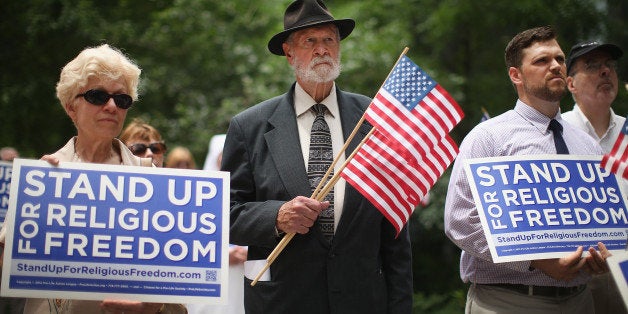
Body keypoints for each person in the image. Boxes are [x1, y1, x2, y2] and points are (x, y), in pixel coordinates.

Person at [221, 0, 413, 313]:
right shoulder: (249, 126)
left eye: (329, 40)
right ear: (288, 52)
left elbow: (396, 226)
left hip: (363, 300)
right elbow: (223, 215)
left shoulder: (376, 121)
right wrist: (276, 216)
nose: (322, 49)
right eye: (310, 41)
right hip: (282, 300)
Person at [0, 44, 186, 314]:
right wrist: (31, 205)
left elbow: (181, 290)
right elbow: (8, 268)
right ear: (70, 107)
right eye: (97, 96)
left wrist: (155, 306)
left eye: (122, 99)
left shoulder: (154, 182)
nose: (111, 106)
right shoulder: (44, 177)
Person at [444, 26, 611, 314]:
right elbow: (460, 221)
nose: (556, 66)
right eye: (541, 61)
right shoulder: (489, 137)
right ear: (515, 75)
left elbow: (602, 220)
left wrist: (603, 253)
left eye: (559, 59)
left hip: (581, 301)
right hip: (508, 301)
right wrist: (537, 262)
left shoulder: (588, 146)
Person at [562, 41, 627, 314]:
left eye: (609, 66)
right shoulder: (554, 132)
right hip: (574, 272)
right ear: (571, 84)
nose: (605, 72)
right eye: (592, 66)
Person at [187, 134, 246, 314]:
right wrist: (224, 254)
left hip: (242, 274)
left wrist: (247, 250)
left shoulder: (248, 188)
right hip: (210, 278)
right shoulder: (196, 196)